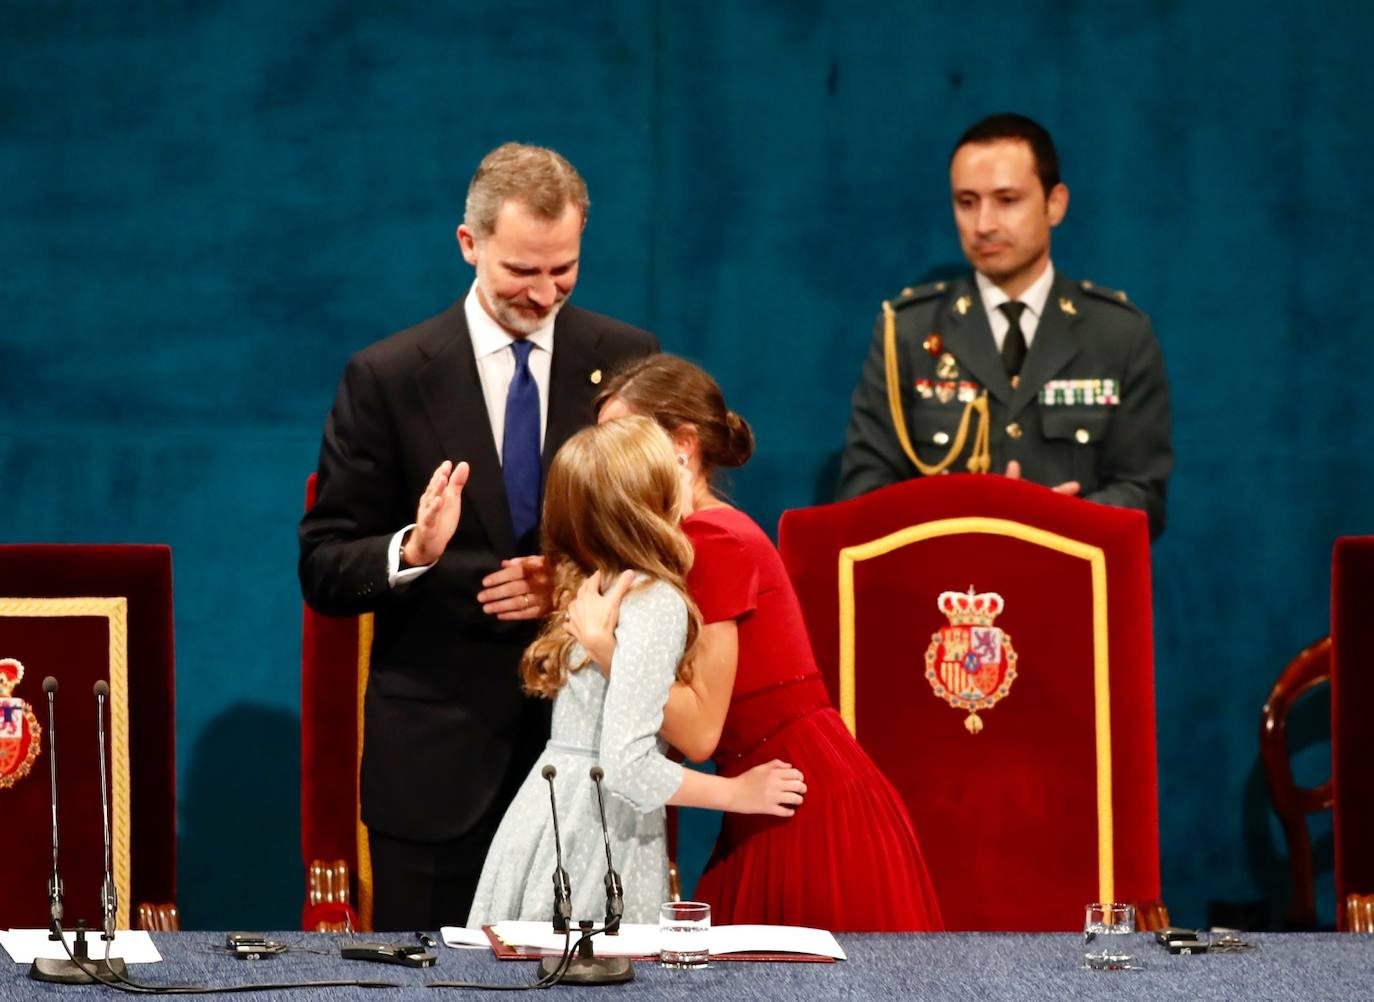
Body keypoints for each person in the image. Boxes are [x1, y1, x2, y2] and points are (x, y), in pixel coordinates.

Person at [298, 142, 657, 930]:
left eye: (563, 269)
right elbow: (323, 568)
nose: (544, 292)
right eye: (521, 271)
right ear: (470, 244)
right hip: (436, 767)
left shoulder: (627, 365)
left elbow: (663, 546)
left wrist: (565, 585)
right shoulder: (388, 378)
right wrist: (411, 553)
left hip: (589, 759)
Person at [569, 354, 944, 932]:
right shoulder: (692, 540)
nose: (608, 455)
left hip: (801, 808)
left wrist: (602, 646)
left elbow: (697, 733)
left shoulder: (712, 541)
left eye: (625, 435)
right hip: (775, 796)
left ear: (683, 444)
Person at [466, 417, 805, 926]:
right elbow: (628, 767)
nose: (684, 465)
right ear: (647, 501)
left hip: (551, 811)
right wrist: (737, 794)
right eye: (669, 462)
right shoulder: (655, 600)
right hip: (600, 832)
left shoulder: (591, 582)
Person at [837, 113, 1173, 539]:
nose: (983, 225)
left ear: (1056, 203)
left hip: (1070, 592)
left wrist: (1055, 522)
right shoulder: (905, 331)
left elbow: (1144, 497)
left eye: (1007, 200)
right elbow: (862, 494)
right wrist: (969, 522)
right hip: (944, 590)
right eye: (966, 202)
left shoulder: (1119, 334)